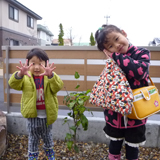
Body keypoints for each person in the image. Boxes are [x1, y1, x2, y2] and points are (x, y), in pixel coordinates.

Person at [95, 24, 150, 160]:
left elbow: (140, 72)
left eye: (117, 38)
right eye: (110, 46)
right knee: (114, 144)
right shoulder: (111, 62)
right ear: (106, 51)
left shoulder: (141, 53)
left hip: (137, 111)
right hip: (115, 113)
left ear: (124, 33)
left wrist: (115, 56)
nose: (116, 46)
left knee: (132, 147)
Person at [8, 48, 64, 160]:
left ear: (46, 63)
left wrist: (51, 76)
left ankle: (50, 156)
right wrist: (19, 74)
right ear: (28, 64)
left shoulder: (50, 76)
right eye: (33, 63)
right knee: (33, 138)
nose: (37, 67)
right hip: (32, 115)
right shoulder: (25, 77)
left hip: (47, 115)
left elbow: (57, 87)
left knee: (48, 136)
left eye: (40, 63)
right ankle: (32, 157)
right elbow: (13, 84)